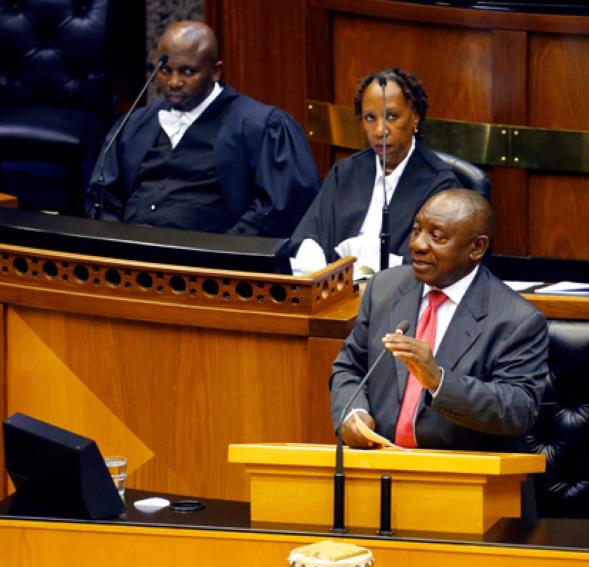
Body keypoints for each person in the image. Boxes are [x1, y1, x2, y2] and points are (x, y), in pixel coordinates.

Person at [331, 188, 549, 452]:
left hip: (467, 480)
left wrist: (438, 380)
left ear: (476, 247)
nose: (417, 245)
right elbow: (350, 367)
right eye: (416, 230)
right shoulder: (383, 289)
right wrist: (352, 414)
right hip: (380, 468)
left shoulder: (516, 320)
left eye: (436, 237)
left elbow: (519, 409)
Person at [85, 21, 319, 236]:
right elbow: (104, 197)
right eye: (165, 71)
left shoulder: (261, 127)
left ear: (215, 71)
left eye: (188, 71)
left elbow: (278, 208)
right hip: (132, 263)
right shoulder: (136, 123)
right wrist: (119, 243)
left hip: (211, 268)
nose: (174, 82)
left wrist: (221, 253)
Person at [289, 67, 461, 273]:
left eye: (391, 116)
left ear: (414, 116)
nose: (380, 130)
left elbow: (433, 260)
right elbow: (310, 235)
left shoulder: (439, 183)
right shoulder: (345, 172)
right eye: (370, 118)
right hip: (335, 292)